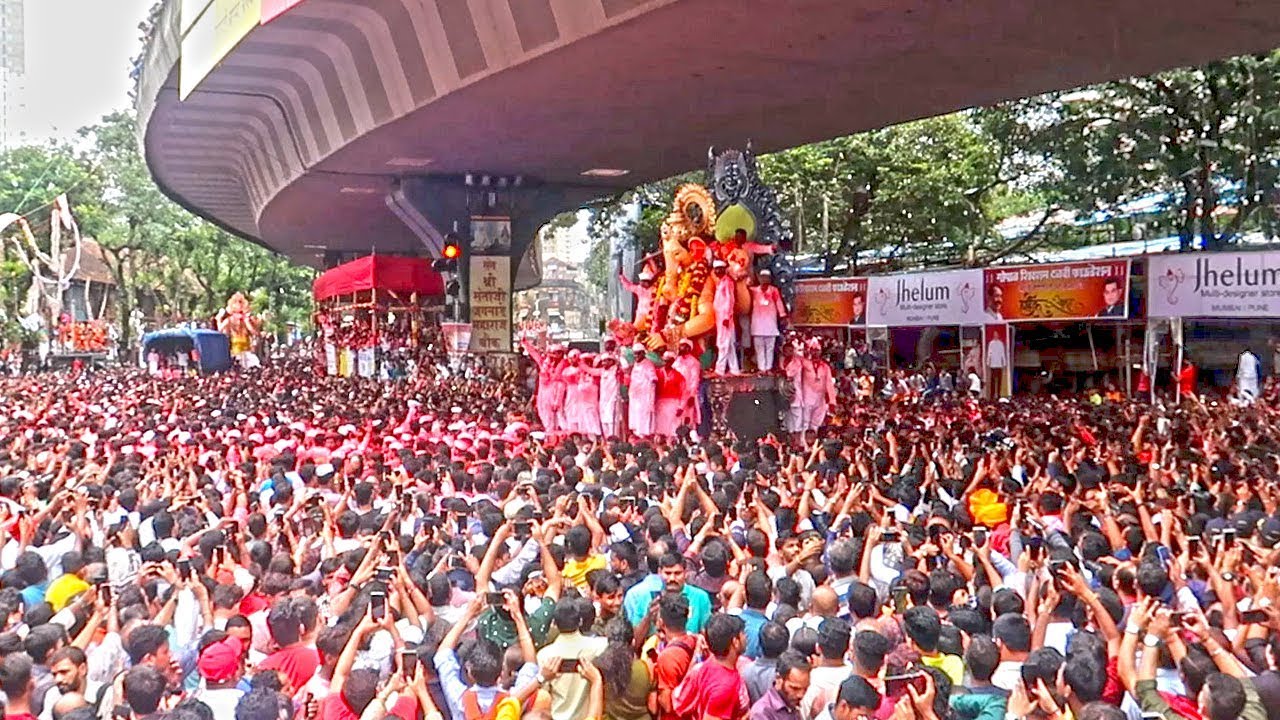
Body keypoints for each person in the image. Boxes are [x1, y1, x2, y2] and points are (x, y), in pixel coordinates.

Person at [749, 271, 787, 372]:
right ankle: (762, 369)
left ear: (770, 279)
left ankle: (768, 368)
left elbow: (779, 303)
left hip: (771, 325)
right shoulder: (753, 291)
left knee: (770, 348)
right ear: (759, 278)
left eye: (766, 277)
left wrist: (782, 315)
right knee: (759, 348)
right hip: (757, 324)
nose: (764, 279)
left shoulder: (774, 291)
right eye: (762, 277)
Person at [712, 260, 741, 376]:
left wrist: (727, 317)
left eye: (720, 269)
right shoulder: (720, 283)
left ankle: (720, 369)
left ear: (724, 270)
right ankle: (735, 370)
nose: (718, 271)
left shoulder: (727, 282)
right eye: (716, 269)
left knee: (723, 344)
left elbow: (730, 300)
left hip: (725, 317)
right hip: (720, 317)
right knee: (728, 344)